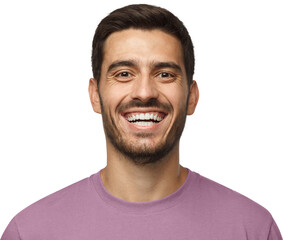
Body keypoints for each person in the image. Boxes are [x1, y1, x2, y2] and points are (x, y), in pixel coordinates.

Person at [1, 4, 282, 240]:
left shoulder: (253, 229)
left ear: (192, 97)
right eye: (124, 74)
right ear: (95, 95)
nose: (145, 92)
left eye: (165, 74)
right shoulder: (30, 232)